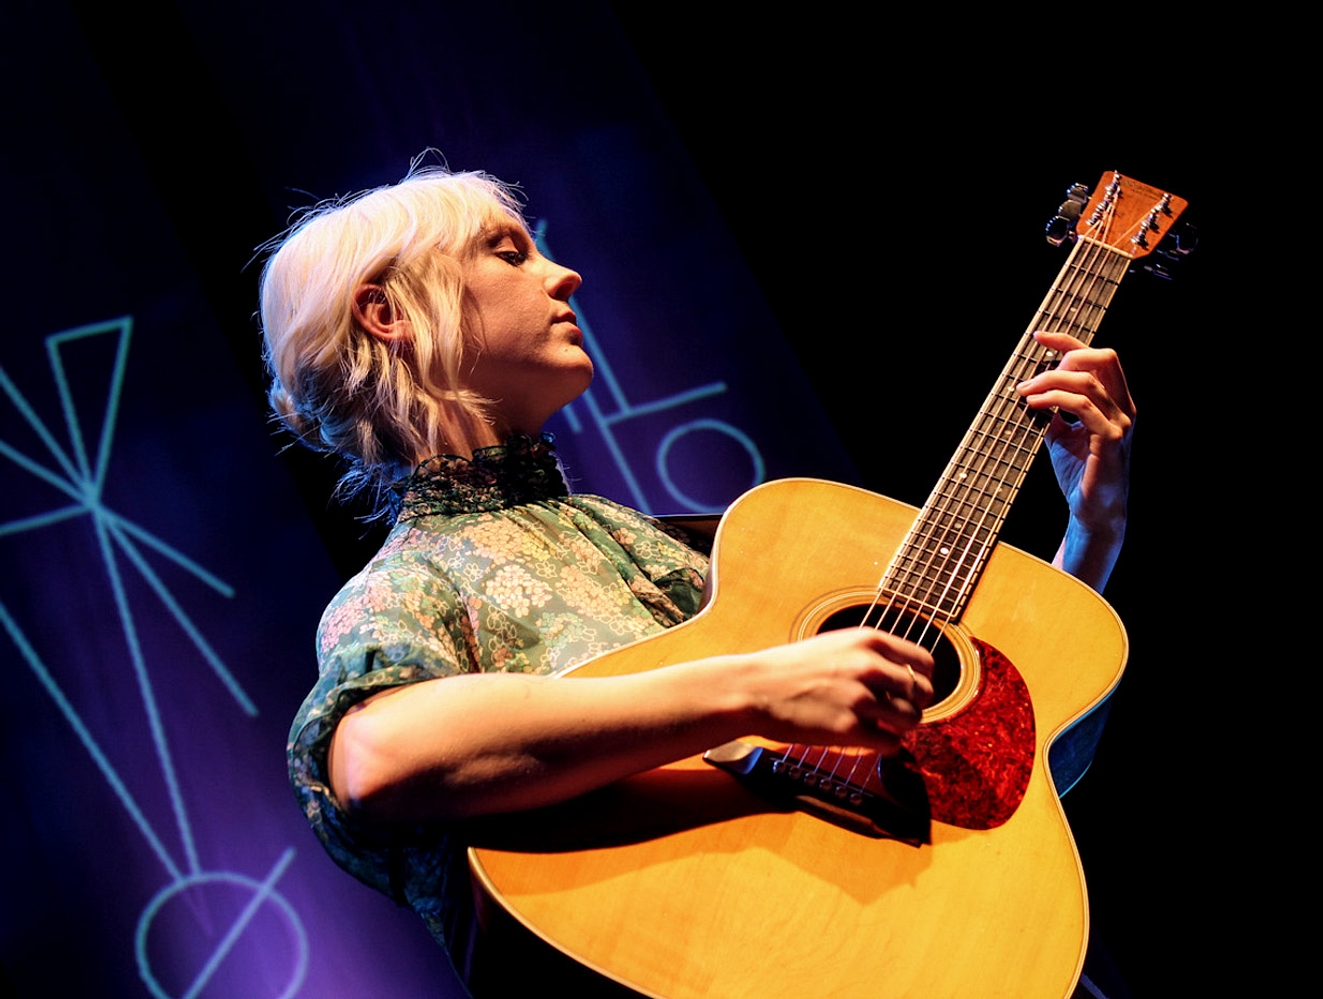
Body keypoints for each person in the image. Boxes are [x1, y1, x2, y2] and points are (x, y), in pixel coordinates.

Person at [261, 164, 1134, 997]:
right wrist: (757, 688)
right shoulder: (409, 583)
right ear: (387, 312)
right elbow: (379, 755)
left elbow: (1005, 759)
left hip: (897, 940)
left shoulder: (679, 548)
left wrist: (1091, 529)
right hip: (704, 960)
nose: (564, 275)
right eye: (509, 250)